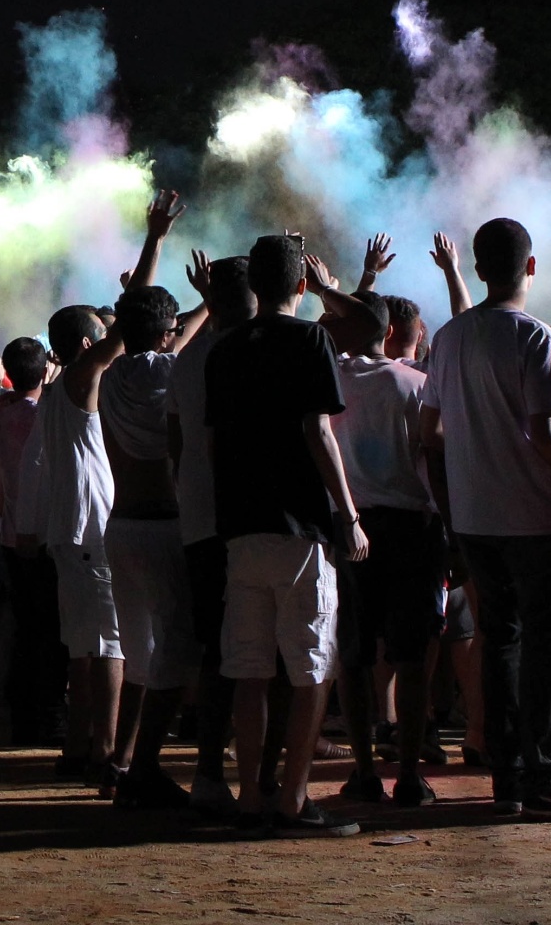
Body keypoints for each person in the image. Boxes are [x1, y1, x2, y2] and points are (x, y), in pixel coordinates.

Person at [417, 219, 551, 821]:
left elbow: (427, 433)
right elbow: (545, 430)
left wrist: (455, 500)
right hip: (532, 517)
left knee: (503, 640)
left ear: (479, 270)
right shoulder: (533, 337)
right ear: (530, 268)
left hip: (478, 520)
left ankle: (513, 773)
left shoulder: (450, 339)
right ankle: (548, 774)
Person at [204, 233, 366, 835]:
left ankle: (250, 798)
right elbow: (317, 429)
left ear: (253, 286)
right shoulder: (309, 337)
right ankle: (294, 800)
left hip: (241, 525)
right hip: (300, 526)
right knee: (311, 669)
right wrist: (347, 513)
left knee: (249, 669)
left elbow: (216, 440)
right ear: (302, 286)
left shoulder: (222, 349)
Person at [38, 190, 183, 796]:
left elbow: (138, 324)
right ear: (84, 345)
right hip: (95, 527)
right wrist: (154, 240)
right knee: (118, 645)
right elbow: (135, 321)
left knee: (84, 646)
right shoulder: (79, 378)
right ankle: (107, 753)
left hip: (69, 531)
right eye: (101, 333)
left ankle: (81, 745)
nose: (111, 337)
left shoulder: (58, 390)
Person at [324, 283, 446, 808]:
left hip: (350, 525)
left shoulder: (332, 381)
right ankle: (410, 774)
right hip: (410, 526)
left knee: (354, 653)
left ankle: (364, 769)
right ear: (393, 332)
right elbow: (435, 457)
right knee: (411, 654)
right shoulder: (414, 383)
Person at [98, 271, 207, 807]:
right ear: (167, 332)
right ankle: (143, 768)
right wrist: (209, 304)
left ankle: (120, 763)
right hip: (165, 526)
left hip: (120, 526)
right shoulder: (171, 368)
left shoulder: (111, 373)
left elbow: (168, 341)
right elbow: (178, 349)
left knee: (137, 649)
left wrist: (197, 310)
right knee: (175, 650)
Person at [167, 255, 256, 817]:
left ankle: (208, 772)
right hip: (246, 520)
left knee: (218, 649)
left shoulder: (186, 358)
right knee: (257, 652)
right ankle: (259, 780)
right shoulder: (249, 348)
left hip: (199, 519)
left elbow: (178, 442)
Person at [0, 336, 63, 748]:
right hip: (41, 536)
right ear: (43, 372)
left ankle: (23, 719)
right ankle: (51, 718)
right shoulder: (45, 415)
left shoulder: (2, 414)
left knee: (26, 630)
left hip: (10, 536)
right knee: (50, 634)